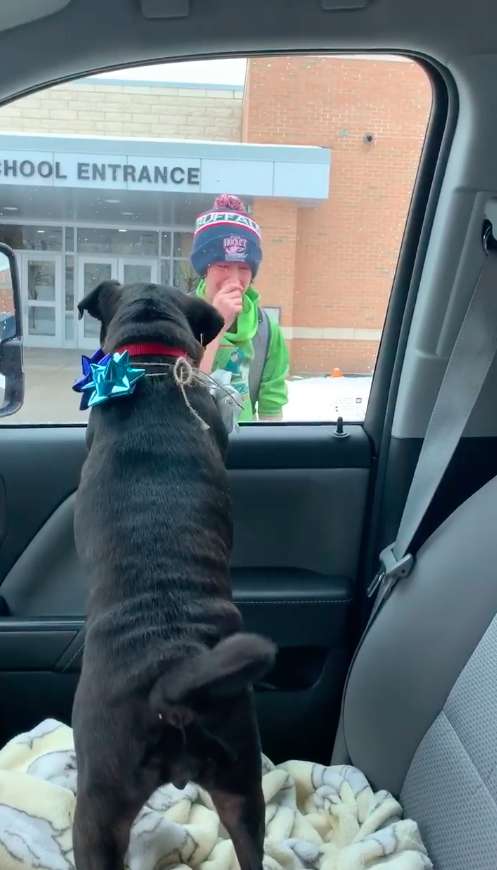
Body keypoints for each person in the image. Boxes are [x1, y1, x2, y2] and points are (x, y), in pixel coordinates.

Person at [190, 193, 289, 422]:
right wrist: (217, 325)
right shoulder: (178, 318)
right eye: (223, 265)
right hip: (192, 448)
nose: (234, 279)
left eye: (244, 268)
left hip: (245, 451)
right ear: (205, 268)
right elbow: (184, 393)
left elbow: (271, 409)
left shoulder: (266, 329)